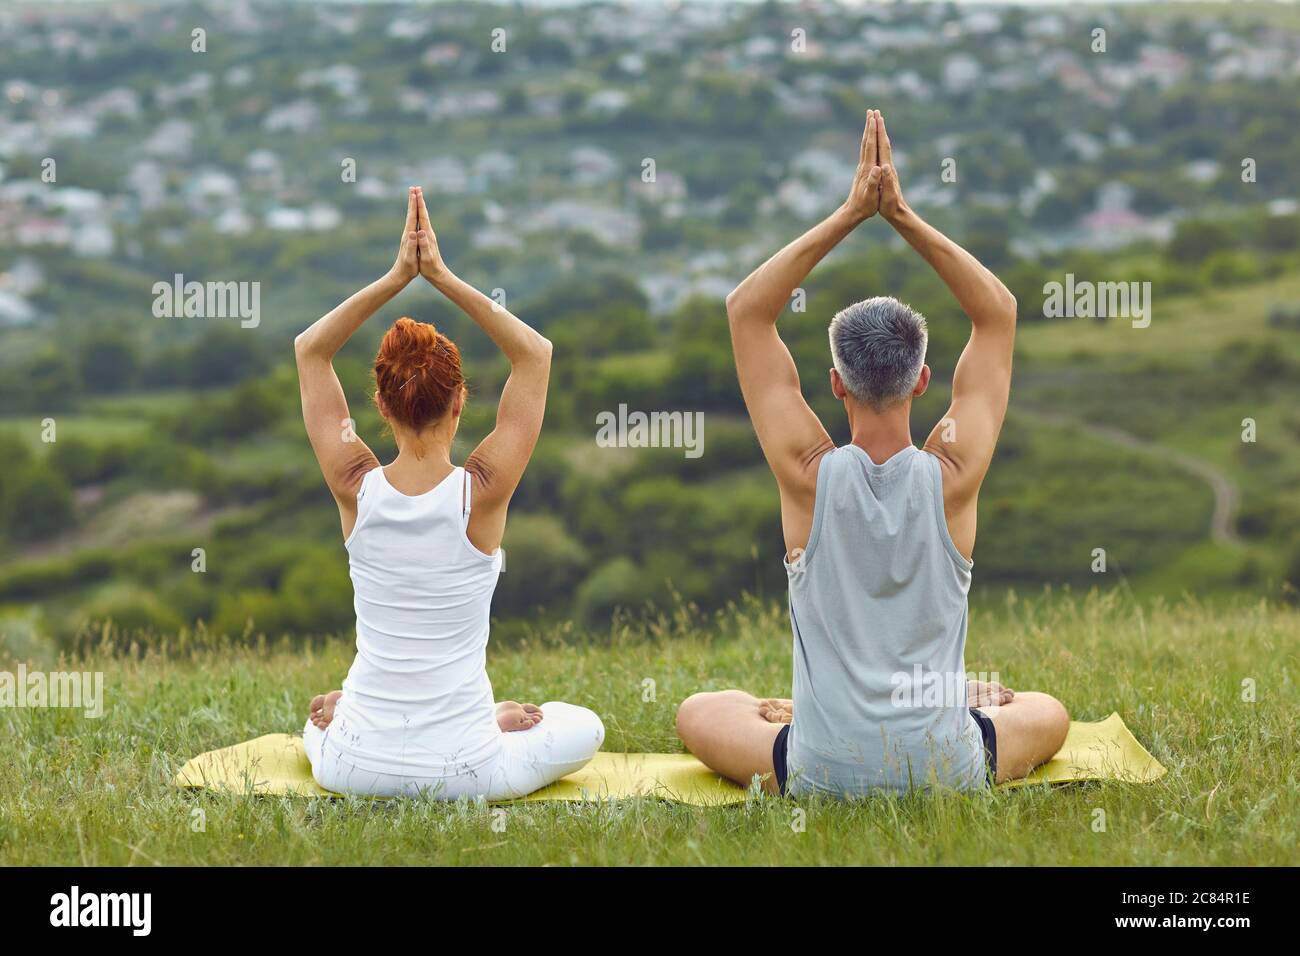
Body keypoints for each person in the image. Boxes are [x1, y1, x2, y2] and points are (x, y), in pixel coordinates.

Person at [676, 112, 1069, 797]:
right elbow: (998, 312)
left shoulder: (806, 475)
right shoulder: (954, 473)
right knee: (1047, 712)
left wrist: (851, 213)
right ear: (922, 380)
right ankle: (958, 699)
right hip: (945, 770)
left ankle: (825, 710)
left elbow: (747, 310)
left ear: (835, 384)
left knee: (700, 711)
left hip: (823, 771)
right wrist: (903, 214)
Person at [293, 187, 604, 799]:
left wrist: (395, 277)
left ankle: (349, 706)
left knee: (315, 724)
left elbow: (311, 350)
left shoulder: (353, 486)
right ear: (461, 402)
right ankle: (467, 720)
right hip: (466, 773)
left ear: (379, 405)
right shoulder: (481, 493)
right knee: (582, 726)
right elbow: (534, 356)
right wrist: (440, 274)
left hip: (352, 767)